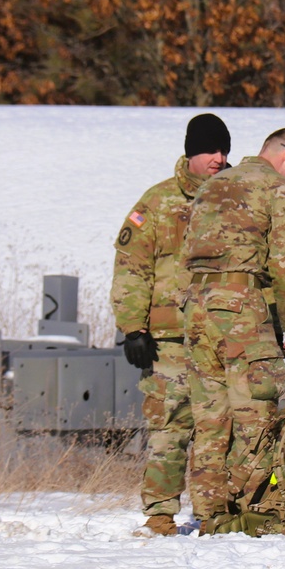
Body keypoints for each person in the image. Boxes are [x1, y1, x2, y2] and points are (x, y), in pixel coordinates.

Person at [181, 128, 285, 531]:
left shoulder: (212, 186)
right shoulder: (279, 191)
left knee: (210, 421)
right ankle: (248, 515)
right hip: (240, 308)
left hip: (196, 309)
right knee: (255, 416)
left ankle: (209, 516)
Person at [110, 113, 231, 537]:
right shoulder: (157, 203)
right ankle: (160, 514)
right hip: (170, 341)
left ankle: (215, 514)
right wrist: (132, 328)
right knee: (169, 427)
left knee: (219, 428)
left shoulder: (236, 197)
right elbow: (132, 267)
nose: (218, 158)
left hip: (223, 335)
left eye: (222, 150)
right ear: (190, 153)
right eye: (209, 151)